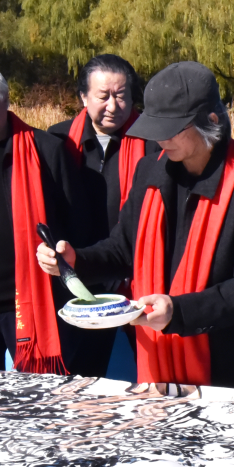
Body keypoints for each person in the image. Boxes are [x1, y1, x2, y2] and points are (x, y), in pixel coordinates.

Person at [37, 61, 234, 393]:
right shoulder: (149, 171)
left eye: (171, 128)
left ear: (210, 121)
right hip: (156, 362)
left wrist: (178, 311)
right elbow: (123, 249)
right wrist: (76, 260)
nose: (159, 138)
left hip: (230, 372)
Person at [0, 61, 86, 373]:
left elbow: (76, 221)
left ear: (5, 98)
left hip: (33, 303)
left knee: (40, 405)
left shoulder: (46, 149)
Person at [47, 54, 159, 377]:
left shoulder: (154, 145)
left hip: (136, 275)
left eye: (122, 95)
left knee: (150, 377)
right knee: (77, 379)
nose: (113, 105)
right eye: (103, 96)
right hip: (78, 276)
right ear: (83, 96)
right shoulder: (57, 142)